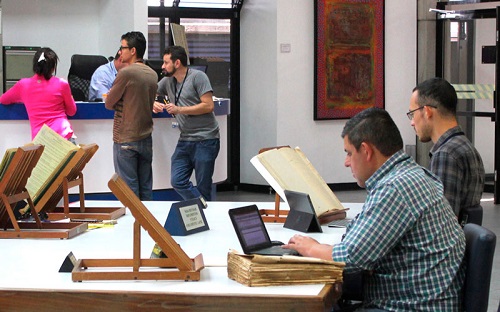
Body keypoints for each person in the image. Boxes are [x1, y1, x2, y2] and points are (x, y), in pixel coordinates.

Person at [284, 108, 465, 311]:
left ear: (367, 150)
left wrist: (310, 247)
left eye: (349, 153)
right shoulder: (411, 174)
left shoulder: (395, 188)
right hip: (419, 300)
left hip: (408, 307)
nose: (346, 162)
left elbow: (351, 259)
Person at [409, 77, 485, 219]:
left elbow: (441, 222)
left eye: (412, 114)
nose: (412, 122)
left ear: (427, 111)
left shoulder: (446, 154)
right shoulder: (466, 147)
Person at [153, 46, 220, 202]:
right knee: (177, 180)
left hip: (206, 138)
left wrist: (179, 109)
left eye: (165, 62)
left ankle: (206, 215)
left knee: (204, 185)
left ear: (177, 63)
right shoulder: (168, 81)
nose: (162, 66)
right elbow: (151, 92)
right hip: (185, 139)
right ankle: (203, 206)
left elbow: (208, 105)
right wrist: (152, 102)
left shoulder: (198, 77)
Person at [105, 31, 158, 200]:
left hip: (126, 138)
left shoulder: (126, 73)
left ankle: (133, 226)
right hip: (146, 137)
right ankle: (148, 226)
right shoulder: (152, 73)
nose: (120, 51)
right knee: (145, 189)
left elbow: (108, 103)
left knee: (129, 192)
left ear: (133, 50)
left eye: (123, 47)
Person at [0, 47, 77, 142]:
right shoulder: (62, 84)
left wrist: (23, 98)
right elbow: (71, 111)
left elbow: (3, 99)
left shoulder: (23, 85)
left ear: (35, 65)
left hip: (41, 140)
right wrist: (71, 97)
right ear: (53, 68)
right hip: (64, 137)